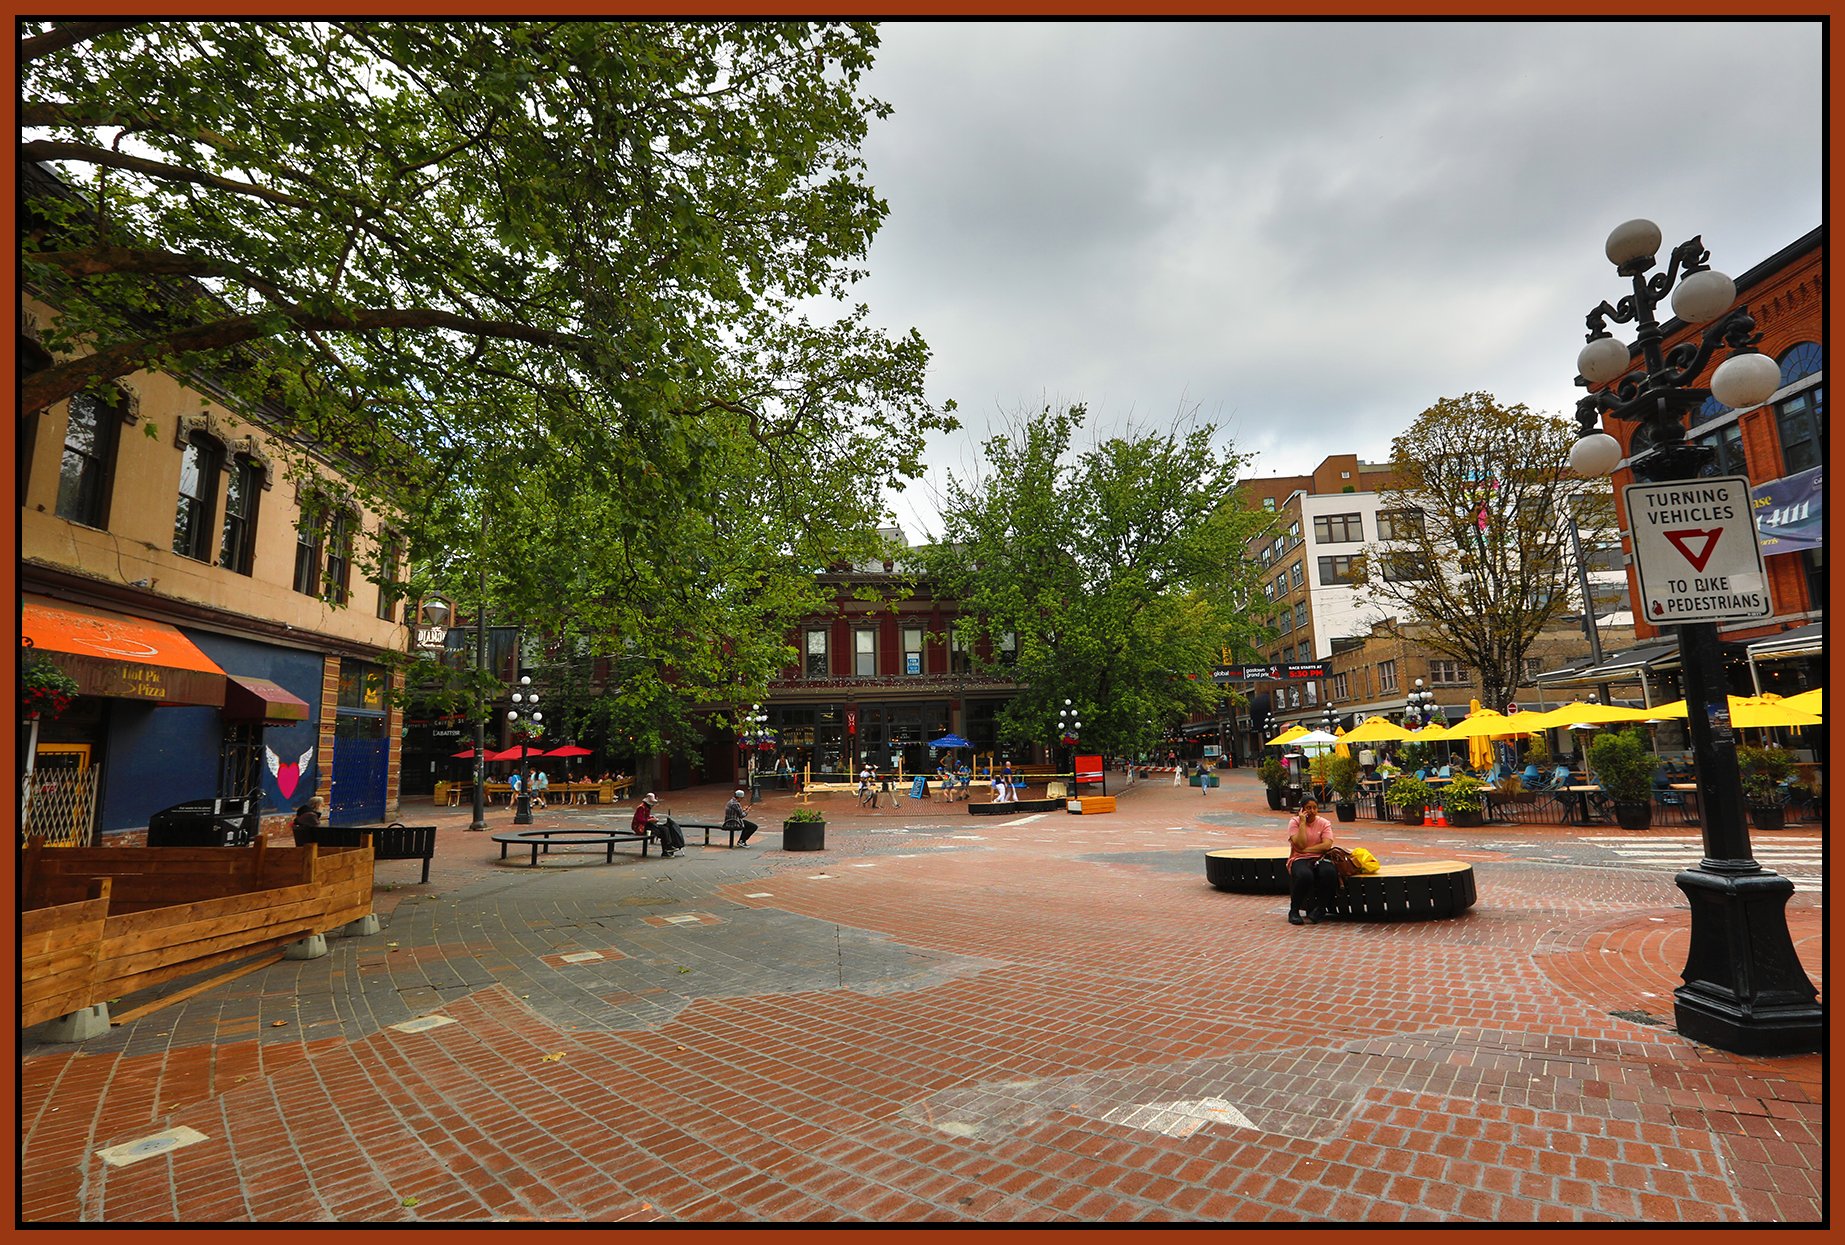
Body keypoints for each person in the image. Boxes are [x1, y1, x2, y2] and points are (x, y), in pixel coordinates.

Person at [1285, 797, 1339, 926]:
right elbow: (1300, 843)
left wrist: (1307, 849)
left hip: (1320, 857)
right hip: (1299, 857)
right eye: (1308, 808)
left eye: (1315, 808)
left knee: (1329, 872)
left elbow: (1327, 845)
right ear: (1302, 809)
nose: (1312, 811)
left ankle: (1321, 909)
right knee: (1305, 875)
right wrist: (1302, 823)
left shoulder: (1324, 823)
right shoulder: (1294, 822)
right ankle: (1294, 911)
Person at [633, 792, 683, 857]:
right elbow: (639, 819)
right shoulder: (641, 807)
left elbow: (646, 817)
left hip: (646, 825)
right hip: (641, 827)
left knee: (665, 829)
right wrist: (650, 820)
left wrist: (651, 818)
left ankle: (668, 847)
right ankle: (666, 849)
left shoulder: (647, 808)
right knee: (660, 832)